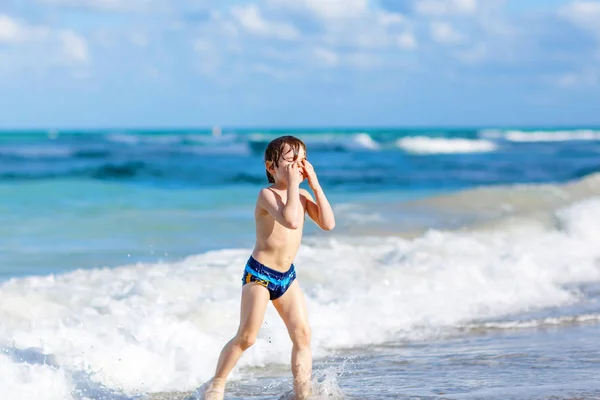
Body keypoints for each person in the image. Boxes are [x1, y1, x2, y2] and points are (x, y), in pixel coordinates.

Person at [202, 135, 335, 400]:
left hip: (287, 277)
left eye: (302, 160)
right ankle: (216, 384)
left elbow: (328, 223)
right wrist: (295, 185)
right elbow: (292, 220)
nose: (297, 166)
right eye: (289, 161)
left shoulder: (303, 194)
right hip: (260, 276)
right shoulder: (267, 195)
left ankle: (303, 393)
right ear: (271, 167)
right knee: (247, 337)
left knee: (303, 335)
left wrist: (315, 185)